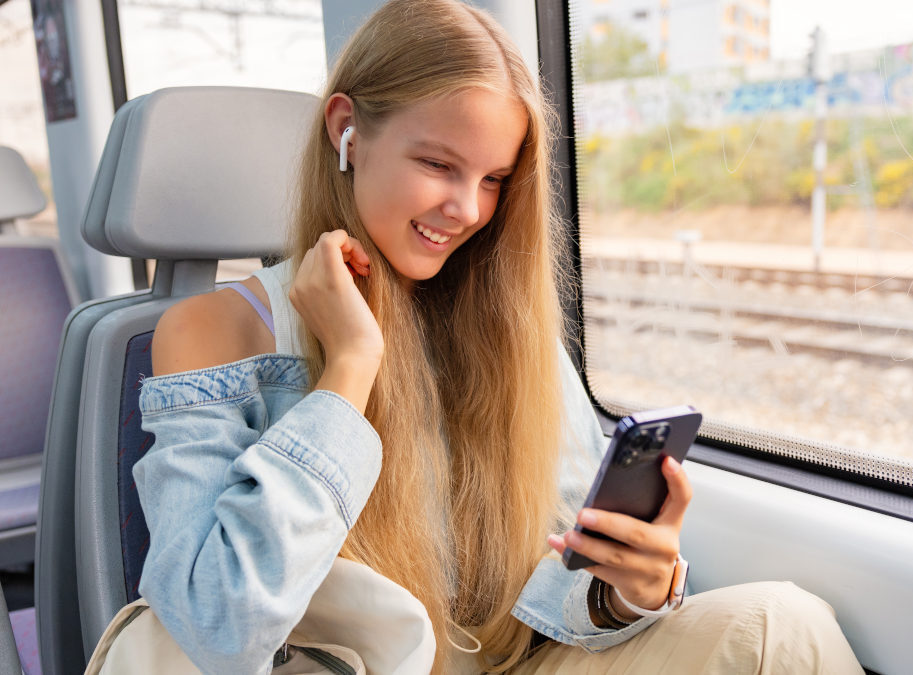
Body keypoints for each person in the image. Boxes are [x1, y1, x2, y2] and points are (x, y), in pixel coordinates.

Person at [135, 1, 865, 673]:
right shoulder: (208, 331)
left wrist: (627, 590)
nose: (467, 209)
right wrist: (349, 367)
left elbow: (550, 585)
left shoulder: (509, 333)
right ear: (345, 130)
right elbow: (215, 625)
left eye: (494, 179)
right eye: (438, 165)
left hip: (513, 663)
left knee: (785, 626)